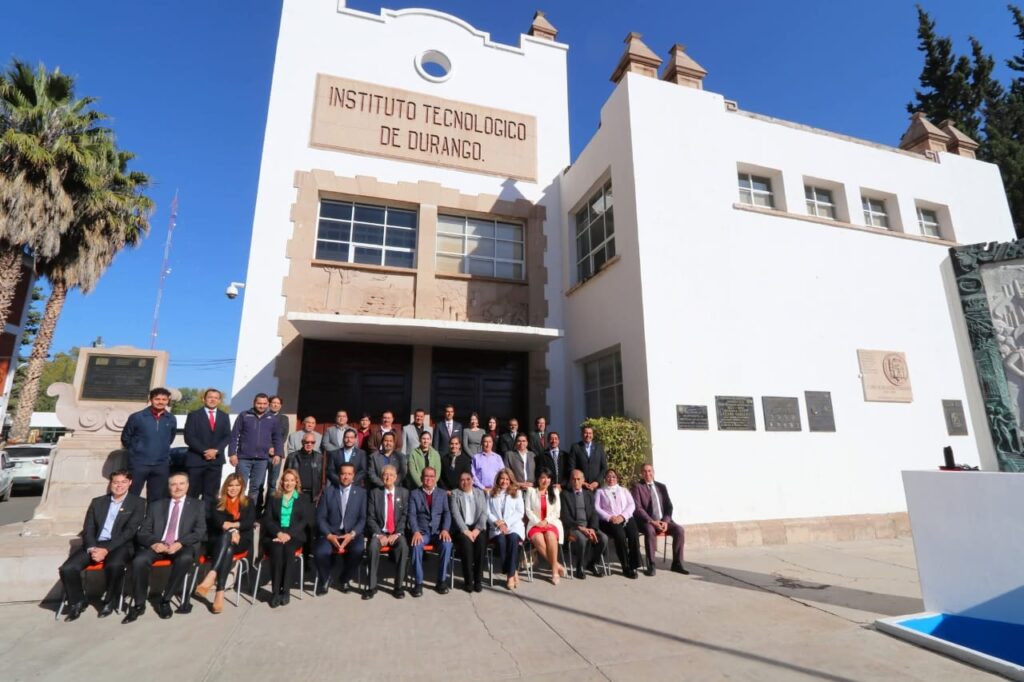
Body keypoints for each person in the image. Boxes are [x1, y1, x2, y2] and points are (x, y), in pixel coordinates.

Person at [58, 470, 145, 621]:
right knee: (68, 568)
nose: (119, 486)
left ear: (130, 483)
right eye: (115, 482)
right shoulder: (97, 502)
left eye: (123, 482)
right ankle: (78, 602)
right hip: (96, 544)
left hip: (121, 545)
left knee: (115, 565)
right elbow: (89, 528)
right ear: (110, 483)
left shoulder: (138, 503)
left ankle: (110, 601)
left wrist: (106, 549)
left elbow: (129, 532)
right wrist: (92, 548)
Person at [123, 472, 206, 623]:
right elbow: (143, 532)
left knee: (186, 558)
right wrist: (155, 543)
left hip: (181, 545)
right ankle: (139, 604)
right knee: (139, 560)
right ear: (168, 487)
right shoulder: (156, 505)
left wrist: (179, 543)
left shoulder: (197, 505)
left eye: (181, 483)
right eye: (173, 484)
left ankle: (165, 600)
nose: (177, 487)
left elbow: (200, 531)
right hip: (158, 545)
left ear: (187, 485)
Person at [194, 473, 256, 613]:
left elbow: (250, 521)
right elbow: (217, 522)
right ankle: (219, 593)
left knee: (228, 540)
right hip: (218, 540)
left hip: (241, 540)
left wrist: (235, 526)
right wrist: (232, 531)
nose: (233, 488)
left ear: (241, 487)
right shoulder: (217, 502)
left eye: (236, 485)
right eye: (230, 485)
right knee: (227, 545)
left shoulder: (248, 501)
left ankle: (212, 575)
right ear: (225, 486)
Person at [261, 468, 312, 607]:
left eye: (291, 480)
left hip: (294, 534)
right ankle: (276, 592)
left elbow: (304, 520)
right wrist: (278, 533)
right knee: (277, 550)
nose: (288, 483)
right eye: (286, 480)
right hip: (275, 534)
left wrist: (289, 534)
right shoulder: (274, 497)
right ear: (282, 482)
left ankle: (286, 591)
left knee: (289, 551)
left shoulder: (303, 498)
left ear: (296, 482)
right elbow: (268, 519)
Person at [313, 462, 366, 595]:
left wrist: (352, 534)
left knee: (358, 550)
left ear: (353, 476)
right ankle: (325, 579)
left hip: (352, 533)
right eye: (343, 474)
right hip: (331, 532)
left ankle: (345, 578)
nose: (346, 477)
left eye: (349, 474)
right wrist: (329, 535)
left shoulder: (361, 493)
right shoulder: (328, 491)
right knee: (320, 552)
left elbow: (363, 518)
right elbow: (320, 517)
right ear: (338, 475)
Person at [228, 393, 283, 513]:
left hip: (262, 459)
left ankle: (249, 514)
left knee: (256, 488)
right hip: (243, 458)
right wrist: (232, 453)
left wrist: (278, 453)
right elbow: (234, 435)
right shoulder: (244, 415)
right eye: (259, 403)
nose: (262, 406)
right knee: (239, 486)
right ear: (254, 402)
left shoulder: (272, 419)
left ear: (268, 404)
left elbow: (277, 438)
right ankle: (235, 512)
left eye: (264, 404)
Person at [121, 387, 177, 501]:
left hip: (161, 465)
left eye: (164, 399)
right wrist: (137, 450)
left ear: (168, 401)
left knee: (157, 498)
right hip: (139, 464)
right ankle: (131, 519)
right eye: (157, 399)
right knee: (132, 496)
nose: (161, 402)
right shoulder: (137, 417)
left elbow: (170, 439)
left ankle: (152, 519)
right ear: (151, 399)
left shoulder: (171, 418)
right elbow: (126, 438)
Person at [632, 463, 689, 575]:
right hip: (647, 521)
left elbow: (669, 506)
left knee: (679, 530)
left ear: (653, 472)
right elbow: (637, 508)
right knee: (650, 530)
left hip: (663, 521)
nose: (647, 473)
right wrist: (652, 521)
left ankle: (677, 564)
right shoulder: (637, 487)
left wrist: (666, 521)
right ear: (641, 474)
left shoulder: (661, 487)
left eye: (649, 471)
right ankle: (651, 564)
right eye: (644, 471)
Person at [364, 464, 410, 600]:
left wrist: (399, 532)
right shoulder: (374, 493)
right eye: (385, 474)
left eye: (391, 475)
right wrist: (379, 534)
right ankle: (372, 586)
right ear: (381, 477)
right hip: (380, 532)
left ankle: (398, 587)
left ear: (396, 478)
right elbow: (370, 517)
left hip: (396, 533)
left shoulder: (404, 493)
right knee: (372, 547)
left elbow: (404, 516)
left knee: (403, 546)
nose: (388, 477)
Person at [183, 388, 232, 509]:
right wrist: (205, 451)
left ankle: (206, 523)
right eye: (210, 397)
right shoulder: (193, 415)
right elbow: (189, 437)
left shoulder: (224, 416)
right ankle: (188, 523)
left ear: (219, 401)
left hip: (216, 461)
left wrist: (216, 450)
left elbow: (227, 436)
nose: (213, 400)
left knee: (211, 495)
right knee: (192, 494)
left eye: (216, 398)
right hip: (197, 460)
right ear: (204, 399)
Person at [408, 467, 453, 596]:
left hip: (438, 532)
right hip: (422, 532)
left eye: (432, 476)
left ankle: (441, 581)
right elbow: (412, 515)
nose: (429, 479)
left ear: (435, 478)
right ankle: (418, 583)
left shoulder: (442, 493)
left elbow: (447, 513)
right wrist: (415, 531)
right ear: (422, 478)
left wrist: (445, 529)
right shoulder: (414, 493)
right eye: (426, 476)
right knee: (416, 545)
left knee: (447, 545)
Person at [560, 469, 608, 579]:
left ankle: (593, 564)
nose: (576, 482)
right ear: (570, 481)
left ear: (583, 480)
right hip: (573, 527)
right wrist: (581, 528)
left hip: (588, 526)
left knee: (603, 538)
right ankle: (579, 567)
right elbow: (565, 517)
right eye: (573, 479)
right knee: (581, 539)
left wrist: (592, 528)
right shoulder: (565, 495)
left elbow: (594, 514)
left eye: (578, 479)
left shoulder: (588, 494)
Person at [595, 469, 641, 579]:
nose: (611, 479)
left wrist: (623, 516)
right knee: (620, 536)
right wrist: (610, 517)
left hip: (625, 517)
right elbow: (597, 508)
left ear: (617, 478)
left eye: (613, 477)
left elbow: (631, 504)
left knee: (634, 534)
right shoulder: (600, 491)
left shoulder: (624, 490)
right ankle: (625, 566)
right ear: (605, 478)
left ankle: (633, 565)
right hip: (610, 520)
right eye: (609, 477)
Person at [525, 469, 566, 584]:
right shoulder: (531, 491)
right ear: (538, 479)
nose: (545, 480)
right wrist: (538, 522)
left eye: (548, 478)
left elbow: (557, 512)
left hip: (551, 522)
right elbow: (528, 510)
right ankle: (556, 565)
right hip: (535, 523)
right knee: (537, 538)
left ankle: (554, 572)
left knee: (550, 536)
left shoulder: (555, 491)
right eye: (543, 477)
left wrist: (546, 521)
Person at [487, 468, 525, 590]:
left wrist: (506, 523)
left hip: (513, 526)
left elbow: (520, 512)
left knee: (513, 539)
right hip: (497, 527)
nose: (504, 481)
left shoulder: (517, 493)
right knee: (502, 541)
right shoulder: (491, 493)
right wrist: (497, 523)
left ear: (511, 480)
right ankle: (513, 570)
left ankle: (510, 575)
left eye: (507, 479)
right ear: (498, 480)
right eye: (502, 478)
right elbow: (487, 512)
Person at [450, 471, 487, 592]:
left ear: (472, 480)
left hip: (477, 528)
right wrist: (465, 531)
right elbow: (455, 514)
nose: (465, 482)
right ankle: (468, 581)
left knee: (481, 544)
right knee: (466, 547)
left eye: (468, 479)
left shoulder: (479, 493)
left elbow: (484, 513)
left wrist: (477, 530)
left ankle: (478, 580)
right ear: (459, 482)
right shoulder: (455, 494)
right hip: (462, 529)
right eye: (462, 480)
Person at [286, 433, 326, 506]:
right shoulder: (292, 457)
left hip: (313, 497)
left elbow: (322, 477)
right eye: (307, 442)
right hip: (295, 494)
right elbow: (285, 476)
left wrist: (320, 494)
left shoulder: (319, 458)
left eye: (312, 442)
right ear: (302, 442)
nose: (309, 444)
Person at [265, 395, 291, 499]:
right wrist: (269, 447)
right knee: (259, 482)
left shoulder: (284, 418)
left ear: (280, 405)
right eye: (273, 402)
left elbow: (283, 436)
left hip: (277, 453)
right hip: (263, 452)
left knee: (272, 482)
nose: (275, 405)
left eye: (278, 403)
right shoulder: (263, 416)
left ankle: (269, 508)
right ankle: (257, 507)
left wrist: (275, 448)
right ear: (269, 404)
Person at [569, 426, 607, 492]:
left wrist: (597, 482)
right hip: (581, 487)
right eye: (585, 433)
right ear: (581, 434)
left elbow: (604, 468)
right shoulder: (575, 447)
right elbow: (571, 467)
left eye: (590, 433)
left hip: (597, 488)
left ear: (593, 435)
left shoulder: (599, 447)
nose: (588, 435)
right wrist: (582, 482)